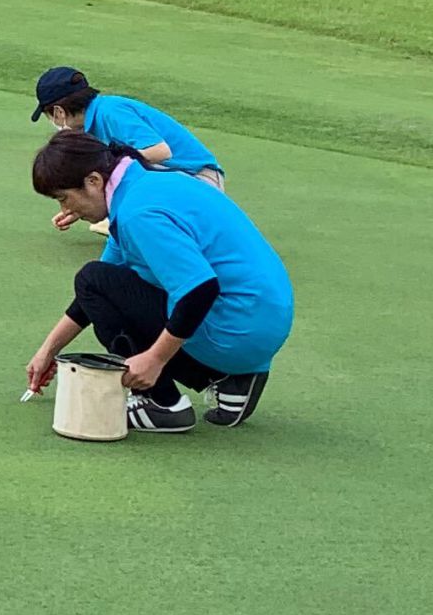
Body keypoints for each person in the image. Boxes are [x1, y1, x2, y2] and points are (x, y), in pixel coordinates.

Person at [23, 130, 293, 433]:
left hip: (234, 327)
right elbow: (99, 291)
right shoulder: (143, 185)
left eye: (63, 198)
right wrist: (48, 351)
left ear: (93, 181)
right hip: (260, 325)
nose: (66, 211)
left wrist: (154, 359)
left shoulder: (137, 213)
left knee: (91, 278)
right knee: (98, 281)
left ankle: (162, 405)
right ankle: (232, 380)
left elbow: (200, 289)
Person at [30, 67, 224, 234]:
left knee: (114, 168)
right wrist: (81, 204)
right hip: (179, 181)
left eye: (50, 116)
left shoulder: (111, 111)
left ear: (58, 112)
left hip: (200, 180)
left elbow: (161, 151)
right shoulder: (92, 124)